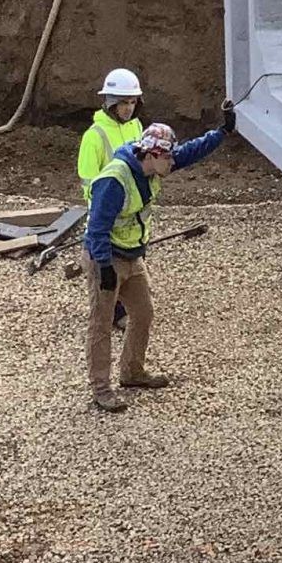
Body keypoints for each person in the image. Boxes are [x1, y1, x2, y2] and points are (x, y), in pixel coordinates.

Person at [83, 107, 233, 414]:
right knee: (101, 323)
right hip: (107, 258)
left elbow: (191, 152)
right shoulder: (114, 180)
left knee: (143, 313)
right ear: (150, 155)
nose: (173, 162)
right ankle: (101, 389)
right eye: (167, 158)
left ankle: (131, 372)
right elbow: (96, 227)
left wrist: (222, 132)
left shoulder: (152, 166)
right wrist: (104, 268)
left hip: (132, 255)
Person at [78, 68, 144, 197]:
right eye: (124, 103)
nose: (129, 108)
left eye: (133, 102)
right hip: (109, 209)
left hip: (135, 208)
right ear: (112, 103)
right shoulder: (94, 136)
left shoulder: (135, 125)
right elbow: (89, 182)